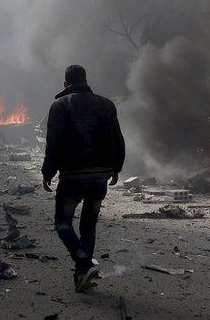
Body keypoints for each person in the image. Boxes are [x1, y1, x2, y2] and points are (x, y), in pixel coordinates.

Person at [42, 64, 126, 292]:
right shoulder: (106, 104)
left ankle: (83, 262)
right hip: (100, 176)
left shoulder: (59, 105)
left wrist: (47, 172)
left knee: (62, 223)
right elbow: (118, 138)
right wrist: (117, 168)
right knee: (89, 224)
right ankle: (82, 274)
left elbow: (54, 143)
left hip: (73, 176)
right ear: (85, 80)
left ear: (65, 84)